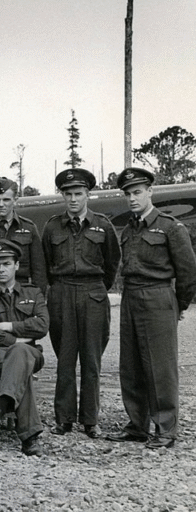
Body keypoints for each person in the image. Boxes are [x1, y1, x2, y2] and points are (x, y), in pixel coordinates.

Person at [106, 167, 196, 449]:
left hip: (158, 297)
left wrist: (178, 305)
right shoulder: (129, 228)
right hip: (131, 297)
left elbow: (188, 271)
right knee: (131, 365)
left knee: (160, 366)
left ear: (150, 192)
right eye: (128, 194)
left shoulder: (171, 227)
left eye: (137, 192)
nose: (132, 198)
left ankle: (166, 428)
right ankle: (137, 425)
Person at [42, 168, 120, 438]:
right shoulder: (52, 226)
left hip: (92, 293)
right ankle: (63, 419)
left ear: (88, 194)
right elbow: (45, 262)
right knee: (65, 359)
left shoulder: (103, 225)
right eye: (68, 194)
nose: (73, 199)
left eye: (78, 193)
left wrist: (96, 289)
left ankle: (90, 420)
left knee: (91, 359)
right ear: (62, 196)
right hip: (62, 293)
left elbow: (112, 262)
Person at [0, 239, 48, 456]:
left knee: (20, 356)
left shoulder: (33, 293)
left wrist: (8, 326)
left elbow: (42, 325)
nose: (1, 269)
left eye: (6, 264)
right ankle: (30, 439)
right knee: (20, 361)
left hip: (31, 354)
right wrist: (17, 340)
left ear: (17, 265)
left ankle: (1, 406)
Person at [0, 177, 46, 291]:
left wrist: (37, 296)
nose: (1, 204)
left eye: (6, 200)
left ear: (15, 200)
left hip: (21, 291)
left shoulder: (29, 228)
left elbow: (39, 270)